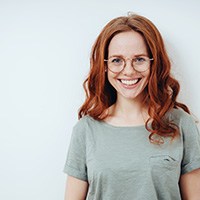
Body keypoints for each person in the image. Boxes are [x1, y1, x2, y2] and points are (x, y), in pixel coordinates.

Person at [63, 13, 200, 200]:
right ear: (104, 66)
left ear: (154, 64)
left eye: (140, 59)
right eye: (117, 60)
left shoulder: (182, 124)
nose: (128, 71)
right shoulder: (86, 130)